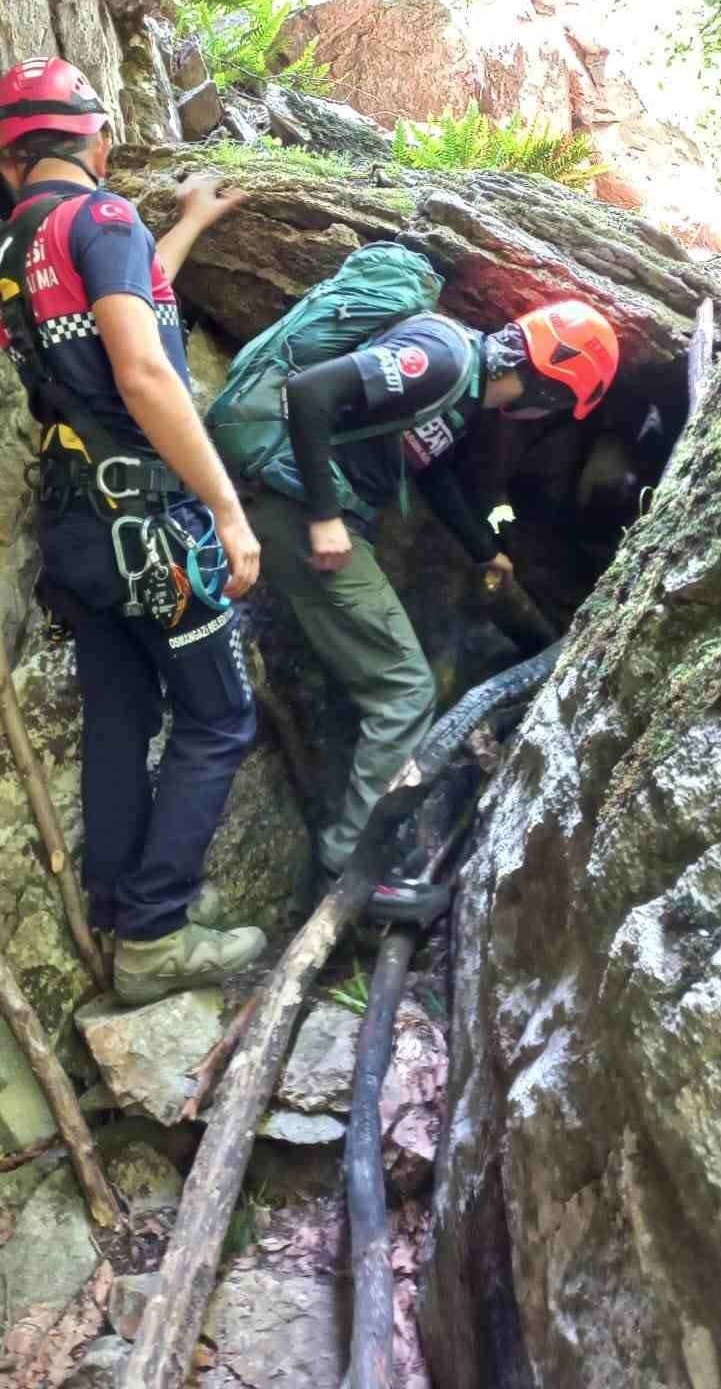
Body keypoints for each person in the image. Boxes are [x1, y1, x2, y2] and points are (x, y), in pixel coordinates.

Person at [0, 55, 266, 1005]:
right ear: (98, 138)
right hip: (147, 520)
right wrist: (226, 509)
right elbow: (144, 370)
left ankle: (121, 908)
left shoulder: (16, 247)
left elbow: (119, 319)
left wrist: (184, 226)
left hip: (77, 528)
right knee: (219, 717)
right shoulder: (103, 219)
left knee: (121, 716)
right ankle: (155, 934)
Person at [246, 299, 619, 921]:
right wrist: (324, 515)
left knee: (395, 683)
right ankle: (348, 873)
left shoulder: (462, 394)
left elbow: (433, 472)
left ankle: (355, 859)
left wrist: (485, 551)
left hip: (309, 515)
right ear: (549, 387)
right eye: (558, 403)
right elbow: (309, 392)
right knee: (405, 689)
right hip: (297, 512)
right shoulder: (444, 359)